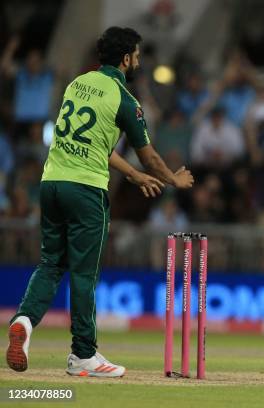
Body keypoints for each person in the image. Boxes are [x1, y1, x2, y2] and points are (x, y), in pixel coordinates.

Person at [5, 27, 194, 377]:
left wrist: (134, 176)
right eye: (136, 56)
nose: (138, 61)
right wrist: (173, 178)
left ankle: (24, 322)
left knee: (50, 264)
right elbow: (150, 156)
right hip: (86, 190)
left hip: (52, 183)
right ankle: (83, 355)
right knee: (84, 274)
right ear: (125, 59)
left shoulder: (78, 84)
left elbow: (96, 146)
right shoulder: (125, 99)